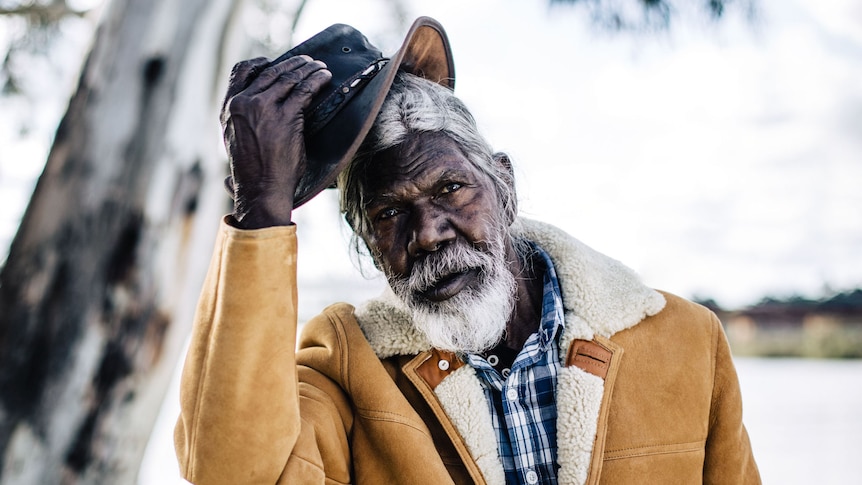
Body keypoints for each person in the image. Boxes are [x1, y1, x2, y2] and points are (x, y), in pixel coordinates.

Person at [174, 17, 760, 485]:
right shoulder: (346, 365)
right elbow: (231, 472)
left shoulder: (688, 341)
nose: (428, 232)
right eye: (388, 213)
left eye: (450, 188)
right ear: (369, 245)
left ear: (503, 185)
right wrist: (260, 207)